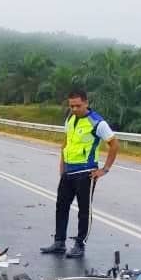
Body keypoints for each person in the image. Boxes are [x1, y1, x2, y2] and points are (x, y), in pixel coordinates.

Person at [39, 89, 119, 258]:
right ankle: (59, 242)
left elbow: (114, 145)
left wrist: (104, 170)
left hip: (86, 173)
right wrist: (62, 168)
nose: (74, 109)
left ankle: (80, 245)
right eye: (71, 106)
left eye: (78, 105)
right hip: (68, 172)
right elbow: (66, 144)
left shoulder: (97, 122)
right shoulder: (70, 118)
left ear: (86, 103)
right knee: (61, 206)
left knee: (84, 210)